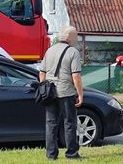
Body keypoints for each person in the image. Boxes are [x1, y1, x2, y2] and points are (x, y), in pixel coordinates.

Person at [39, 26, 83, 160]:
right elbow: (76, 76)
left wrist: (45, 87)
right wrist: (80, 94)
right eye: (75, 35)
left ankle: (51, 155)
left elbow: (42, 73)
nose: (77, 38)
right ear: (69, 37)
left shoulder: (50, 50)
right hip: (66, 93)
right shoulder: (73, 52)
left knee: (51, 124)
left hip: (50, 93)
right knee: (69, 123)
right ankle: (71, 153)